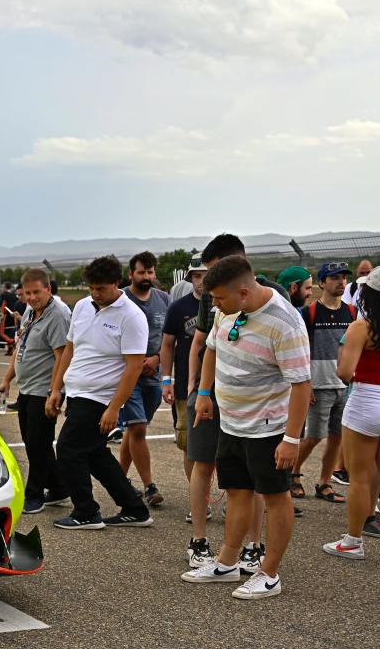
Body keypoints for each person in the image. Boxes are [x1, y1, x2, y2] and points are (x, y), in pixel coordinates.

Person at [183, 256, 309, 598]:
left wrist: (291, 439)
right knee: (238, 490)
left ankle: (269, 575)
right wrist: (205, 393)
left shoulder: (285, 323)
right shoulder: (226, 309)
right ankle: (226, 563)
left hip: (268, 428)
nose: (214, 305)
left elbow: (301, 384)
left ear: (242, 292)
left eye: (218, 298)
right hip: (231, 422)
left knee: (275, 497)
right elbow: (211, 348)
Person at [183, 234, 285, 567]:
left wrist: (292, 434)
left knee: (255, 481)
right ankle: (202, 544)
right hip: (217, 398)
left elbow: (293, 364)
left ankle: (254, 549)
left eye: (216, 270)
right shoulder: (215, 298)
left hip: (259, 410)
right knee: (206, 464)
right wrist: (198, 390)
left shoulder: (275, 301)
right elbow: (205, 342)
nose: (209, 287)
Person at [47, 256, 153, 529]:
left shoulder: (132, 317)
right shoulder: (83, 306)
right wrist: (57, 388)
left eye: (101, 288)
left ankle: (86, 513)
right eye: (91, 288)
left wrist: (114, 407)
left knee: (68, 449)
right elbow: (70, 349)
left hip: (100, 397)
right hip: (77, 392)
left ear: (117, 283)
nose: (95, 293)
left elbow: (134, 367)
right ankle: (135, 509)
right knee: (95, 454)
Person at [0, 268, 72, 514]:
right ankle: (59, 487)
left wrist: (54, 391)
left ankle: (34, 494)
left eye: (37, 292)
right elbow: (21, 346)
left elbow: (62, 357)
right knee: (33, 442)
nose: (32, 297)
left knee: (38, 445)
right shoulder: (30, 310)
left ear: (48, 289)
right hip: (27, 388)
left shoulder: (58, 315)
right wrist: (7, 379)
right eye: (27, 293)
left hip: (44, 390)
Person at [324, 268, 380, 558]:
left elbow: (345, 372)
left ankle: (353, 542)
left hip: (366, 402)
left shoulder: (361, 327)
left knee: (359, 478)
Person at [293, 261, 354, 503]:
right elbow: (300, 351)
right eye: (335, 278)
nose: (341, 282)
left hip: (345, 386)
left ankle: (324, 483)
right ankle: (293, 474)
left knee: (337, 437)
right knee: (315, 437)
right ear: (321, 283)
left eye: (343, 278)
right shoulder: (308, 313)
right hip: (319, 385)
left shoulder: (352, 313)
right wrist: (306, 384)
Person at [118, 252, 171, 507]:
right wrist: (135, 362)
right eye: (141, 272)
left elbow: (169, 338)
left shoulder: (164, 300)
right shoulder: (120, 299)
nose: (146, 277)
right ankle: (150, 487)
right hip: (127, 376)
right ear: (131, 274)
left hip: (154, 376)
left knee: (134, 428)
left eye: (150, 272)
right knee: (138, 428)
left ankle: (119, 480)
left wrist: (158, 358)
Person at [159, 259, 207, 535]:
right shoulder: (178, 307)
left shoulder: (226, 306)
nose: (201, 280)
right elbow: (167, 345)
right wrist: (167, 379)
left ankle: (231, 498)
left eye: (205, 274)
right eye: (196, 276)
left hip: (223, 388)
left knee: (226, 447)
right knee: (189, 445)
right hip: (186, 388)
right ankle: (198, 500)